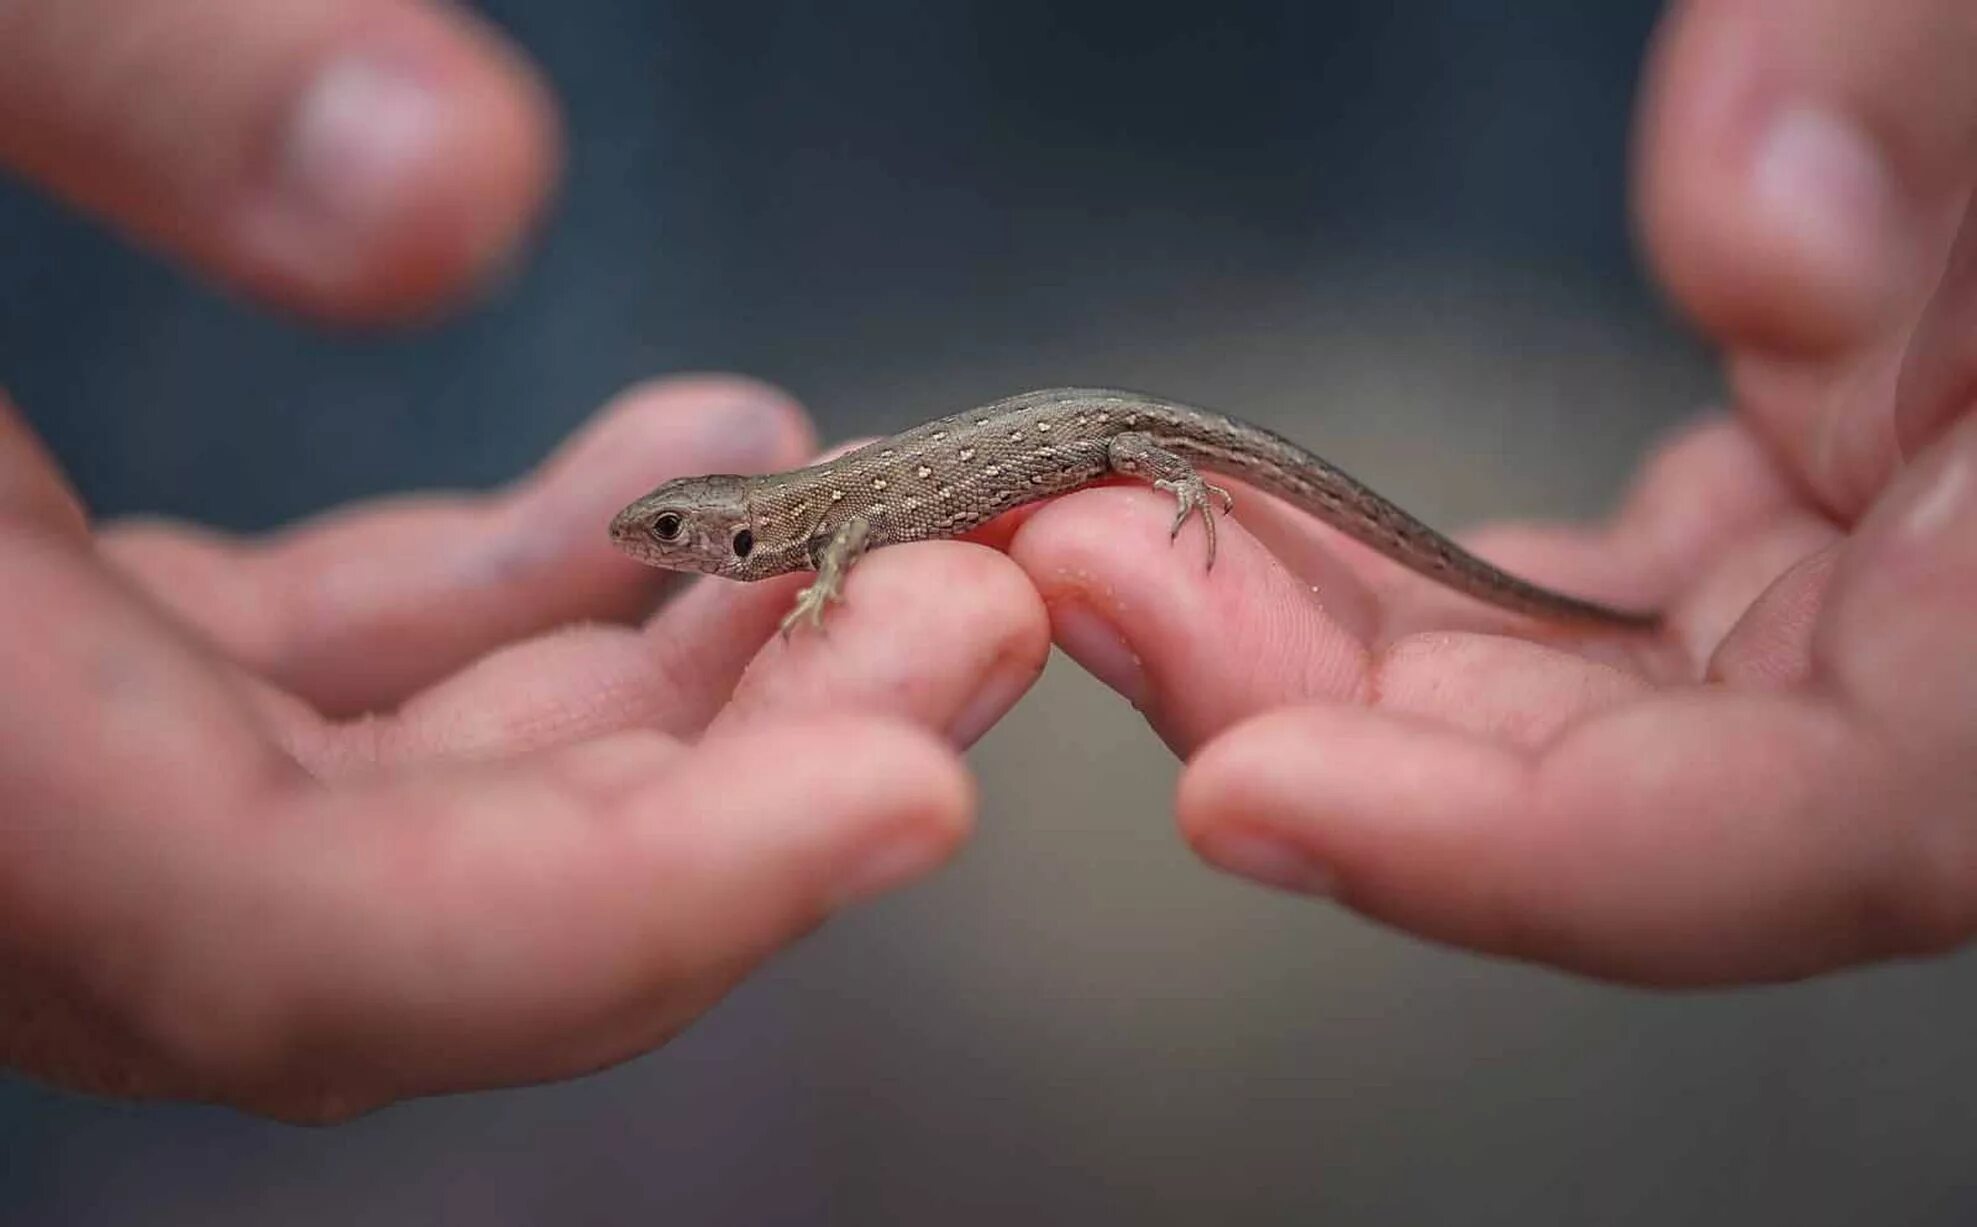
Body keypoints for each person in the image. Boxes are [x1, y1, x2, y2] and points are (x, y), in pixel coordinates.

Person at [0, 0, 1970, 1119]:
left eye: (685, 536)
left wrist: (1176, 493)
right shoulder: (802, 521)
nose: (678, 547)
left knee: (1219, 428)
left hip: (1135, 431)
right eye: (682, 538)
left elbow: (853, 530)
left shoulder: (820, 533)